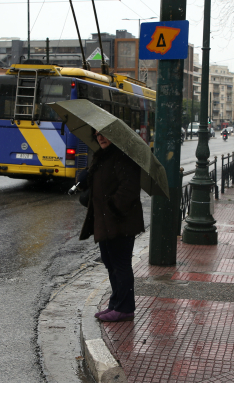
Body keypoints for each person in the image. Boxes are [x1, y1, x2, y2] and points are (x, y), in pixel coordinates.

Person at [79, 130, 144, 323]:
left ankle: (125, 308)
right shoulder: (102, 157)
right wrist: (83, 179)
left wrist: (112, 207)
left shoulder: (124, 157)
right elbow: (97, 184)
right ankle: (115, 303)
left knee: (120, 265)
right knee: (109, 263)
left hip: (120, 222)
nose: (100, 137)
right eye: (97, 134)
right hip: (105, 222)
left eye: (105, 134)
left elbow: (129, 188)